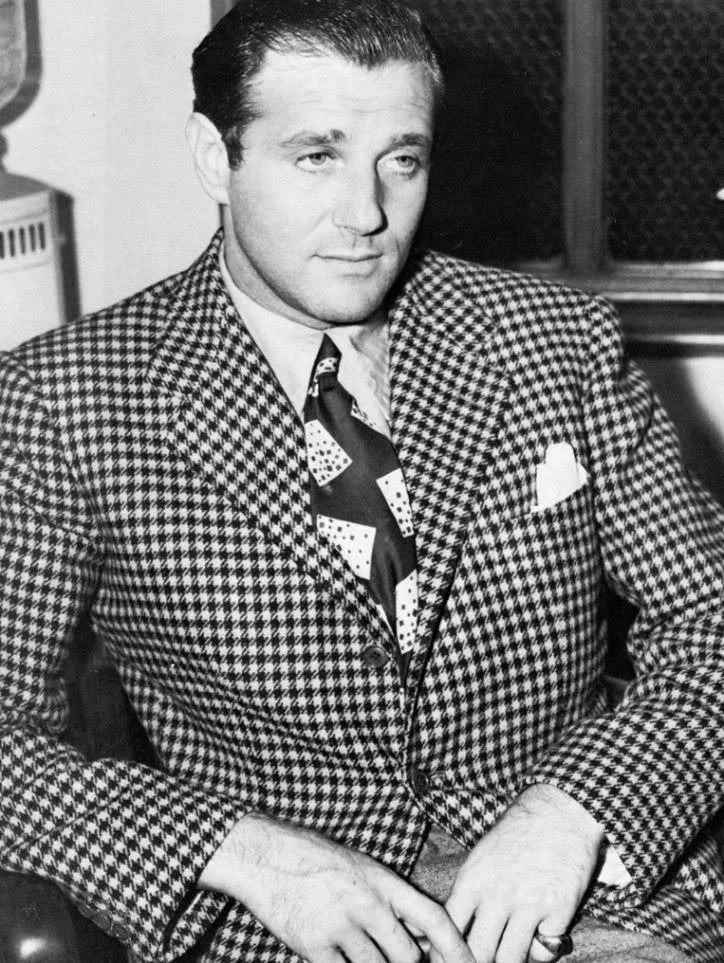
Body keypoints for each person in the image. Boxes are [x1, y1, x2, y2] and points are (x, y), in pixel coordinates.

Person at [0, 1, 722, 961]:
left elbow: (711, 617)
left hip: (592, 905)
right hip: (286, 928)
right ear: (215, 156)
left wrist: (580, 806)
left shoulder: (554, 342)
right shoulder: (68, 398)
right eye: (316, 156)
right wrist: (244, 852)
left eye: (403, 160)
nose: (367, 213)